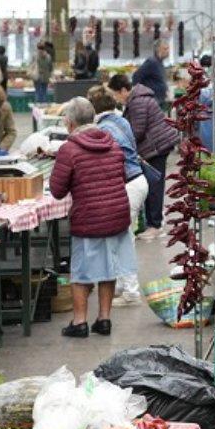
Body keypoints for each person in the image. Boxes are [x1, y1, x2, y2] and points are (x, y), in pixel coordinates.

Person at [50, 97, 134, 339]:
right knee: (109, 268)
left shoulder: (69, 149)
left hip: (89, 217)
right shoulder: (113, 143)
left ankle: (80, 322)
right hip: (117, 213)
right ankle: (104, 319)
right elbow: (123, 175)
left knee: (81, 271)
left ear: (70, 122)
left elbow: (57, 191)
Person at [89, 85, 147, 303]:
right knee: (122, 237)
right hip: (138, 181)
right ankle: (123, 285)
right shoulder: (120, 120)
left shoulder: (103, 129)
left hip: (128, 184)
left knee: (123, 240)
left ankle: (131, 292)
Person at [106, 73, 177, 241]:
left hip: (157, 146)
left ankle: (155, 226)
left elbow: (136, 132)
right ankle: (154, 222)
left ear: (123, 90)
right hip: (156, 145)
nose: (116, 98)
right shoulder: (137, 98)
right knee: (153, 183)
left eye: (116, 94)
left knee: (154, 185)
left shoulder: (137, 102)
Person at [132, 39, 170, 104]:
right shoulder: (151, 62)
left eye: (168, 49)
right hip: (151, 102)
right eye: (165, 49)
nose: (168, 51)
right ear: (158, 49)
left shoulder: (160, 63)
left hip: (159, 101)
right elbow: (136, 77)